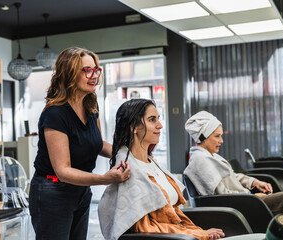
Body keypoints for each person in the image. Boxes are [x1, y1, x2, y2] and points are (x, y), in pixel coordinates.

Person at [29, 47, 131, 240]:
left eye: (96, 70)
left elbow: (97, 144)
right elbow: (63, 170)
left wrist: (130, 155)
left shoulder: (90, 106)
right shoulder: (55, 114)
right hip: (52, 192)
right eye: (87, 70)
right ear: (68, 74)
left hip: (81, 190)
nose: (94, 76)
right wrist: (105, 178)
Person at [98, 99, 225, 240]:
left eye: (158, 118)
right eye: (152, 120)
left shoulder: (151, 163)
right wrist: (199, 234)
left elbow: (171, 213)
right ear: (133, 127)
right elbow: (145, 229)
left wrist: (197, 231)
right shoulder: (130, 172)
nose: (160, 125)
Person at [184, 111, 283, 232]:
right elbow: (222, 195)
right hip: (242, 207)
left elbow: (231, 176)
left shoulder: (209, 156)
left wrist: (254, 182)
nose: (221, 141)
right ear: (203, 137)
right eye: (217, 136)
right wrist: (253, 197)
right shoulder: (201, 161)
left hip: (244, 201)